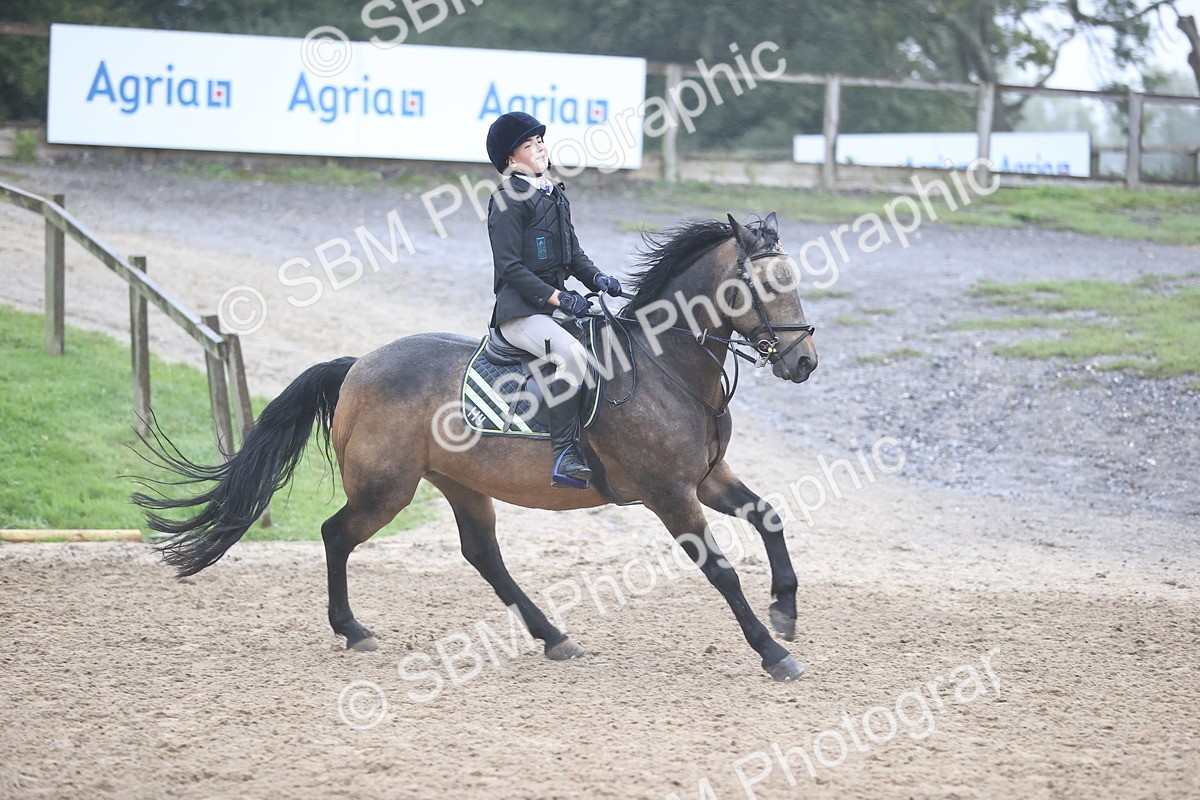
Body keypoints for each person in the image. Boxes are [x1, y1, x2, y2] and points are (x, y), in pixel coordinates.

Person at [484, 111, 623, 489]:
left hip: (552, 306)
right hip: (520, 313)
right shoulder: (507, 199)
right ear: (511, 159)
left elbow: (573, 254)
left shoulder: (554, 193)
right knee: (573, 356)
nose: (540, 148)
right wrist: (559, 298)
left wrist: (598, 279)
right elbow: (510, 267)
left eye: (540, 141)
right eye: (529, 145)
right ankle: (565, 453)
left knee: (613, 336)